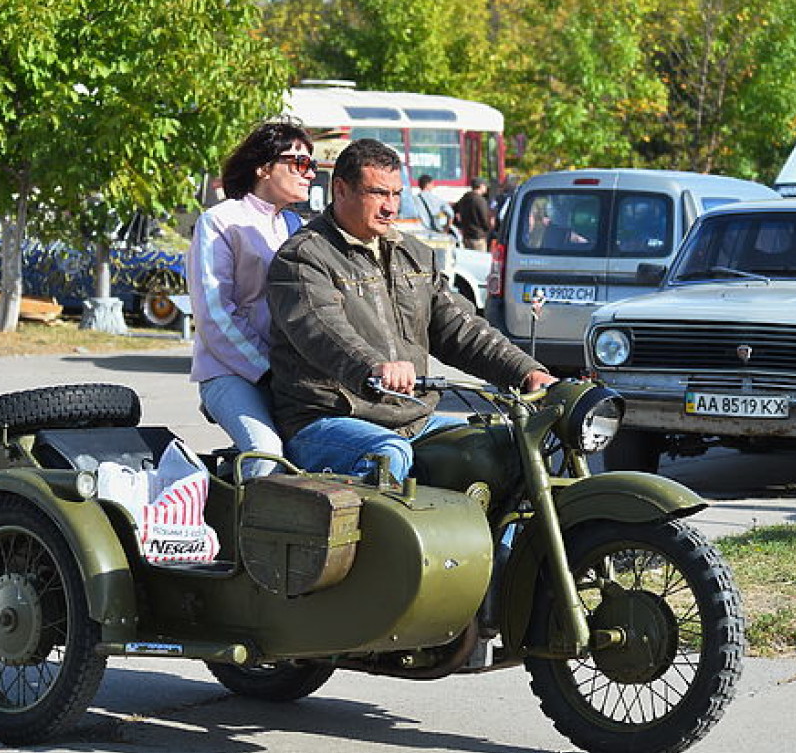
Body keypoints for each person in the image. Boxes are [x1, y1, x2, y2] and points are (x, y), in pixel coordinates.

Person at [267, 138, 555, 484]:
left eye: (396, 194)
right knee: (388, 454)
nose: (391, 207)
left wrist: (526, 372)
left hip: (413, 418)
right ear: (340, 190)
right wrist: (373, 367)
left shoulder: (414, 256)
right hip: (328, 418)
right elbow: (321, 330)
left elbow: (459, 328)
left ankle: (502, 541)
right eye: (378, 193)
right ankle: (375, 541)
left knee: (507, 448)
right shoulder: (304, 257)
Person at [187, 120, 316, 478]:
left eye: (313, 166)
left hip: (291, 377)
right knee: (266, 456)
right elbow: (214, 314)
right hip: (231, 373)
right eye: (299, 163)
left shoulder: (297, 227)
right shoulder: (220, 221)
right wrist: (268, 370)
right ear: (263, 166)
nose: (310, 174)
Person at [454, 177, 492, 251]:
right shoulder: (480, 200)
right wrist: (488, 229)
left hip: (466, 236)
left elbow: (454, 212)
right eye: (485, 186)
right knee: (480, 260)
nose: (486, 188)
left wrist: (459, 225)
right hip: (478, 237)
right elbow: (484, 219)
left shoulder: (464, 199)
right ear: (480, 186)